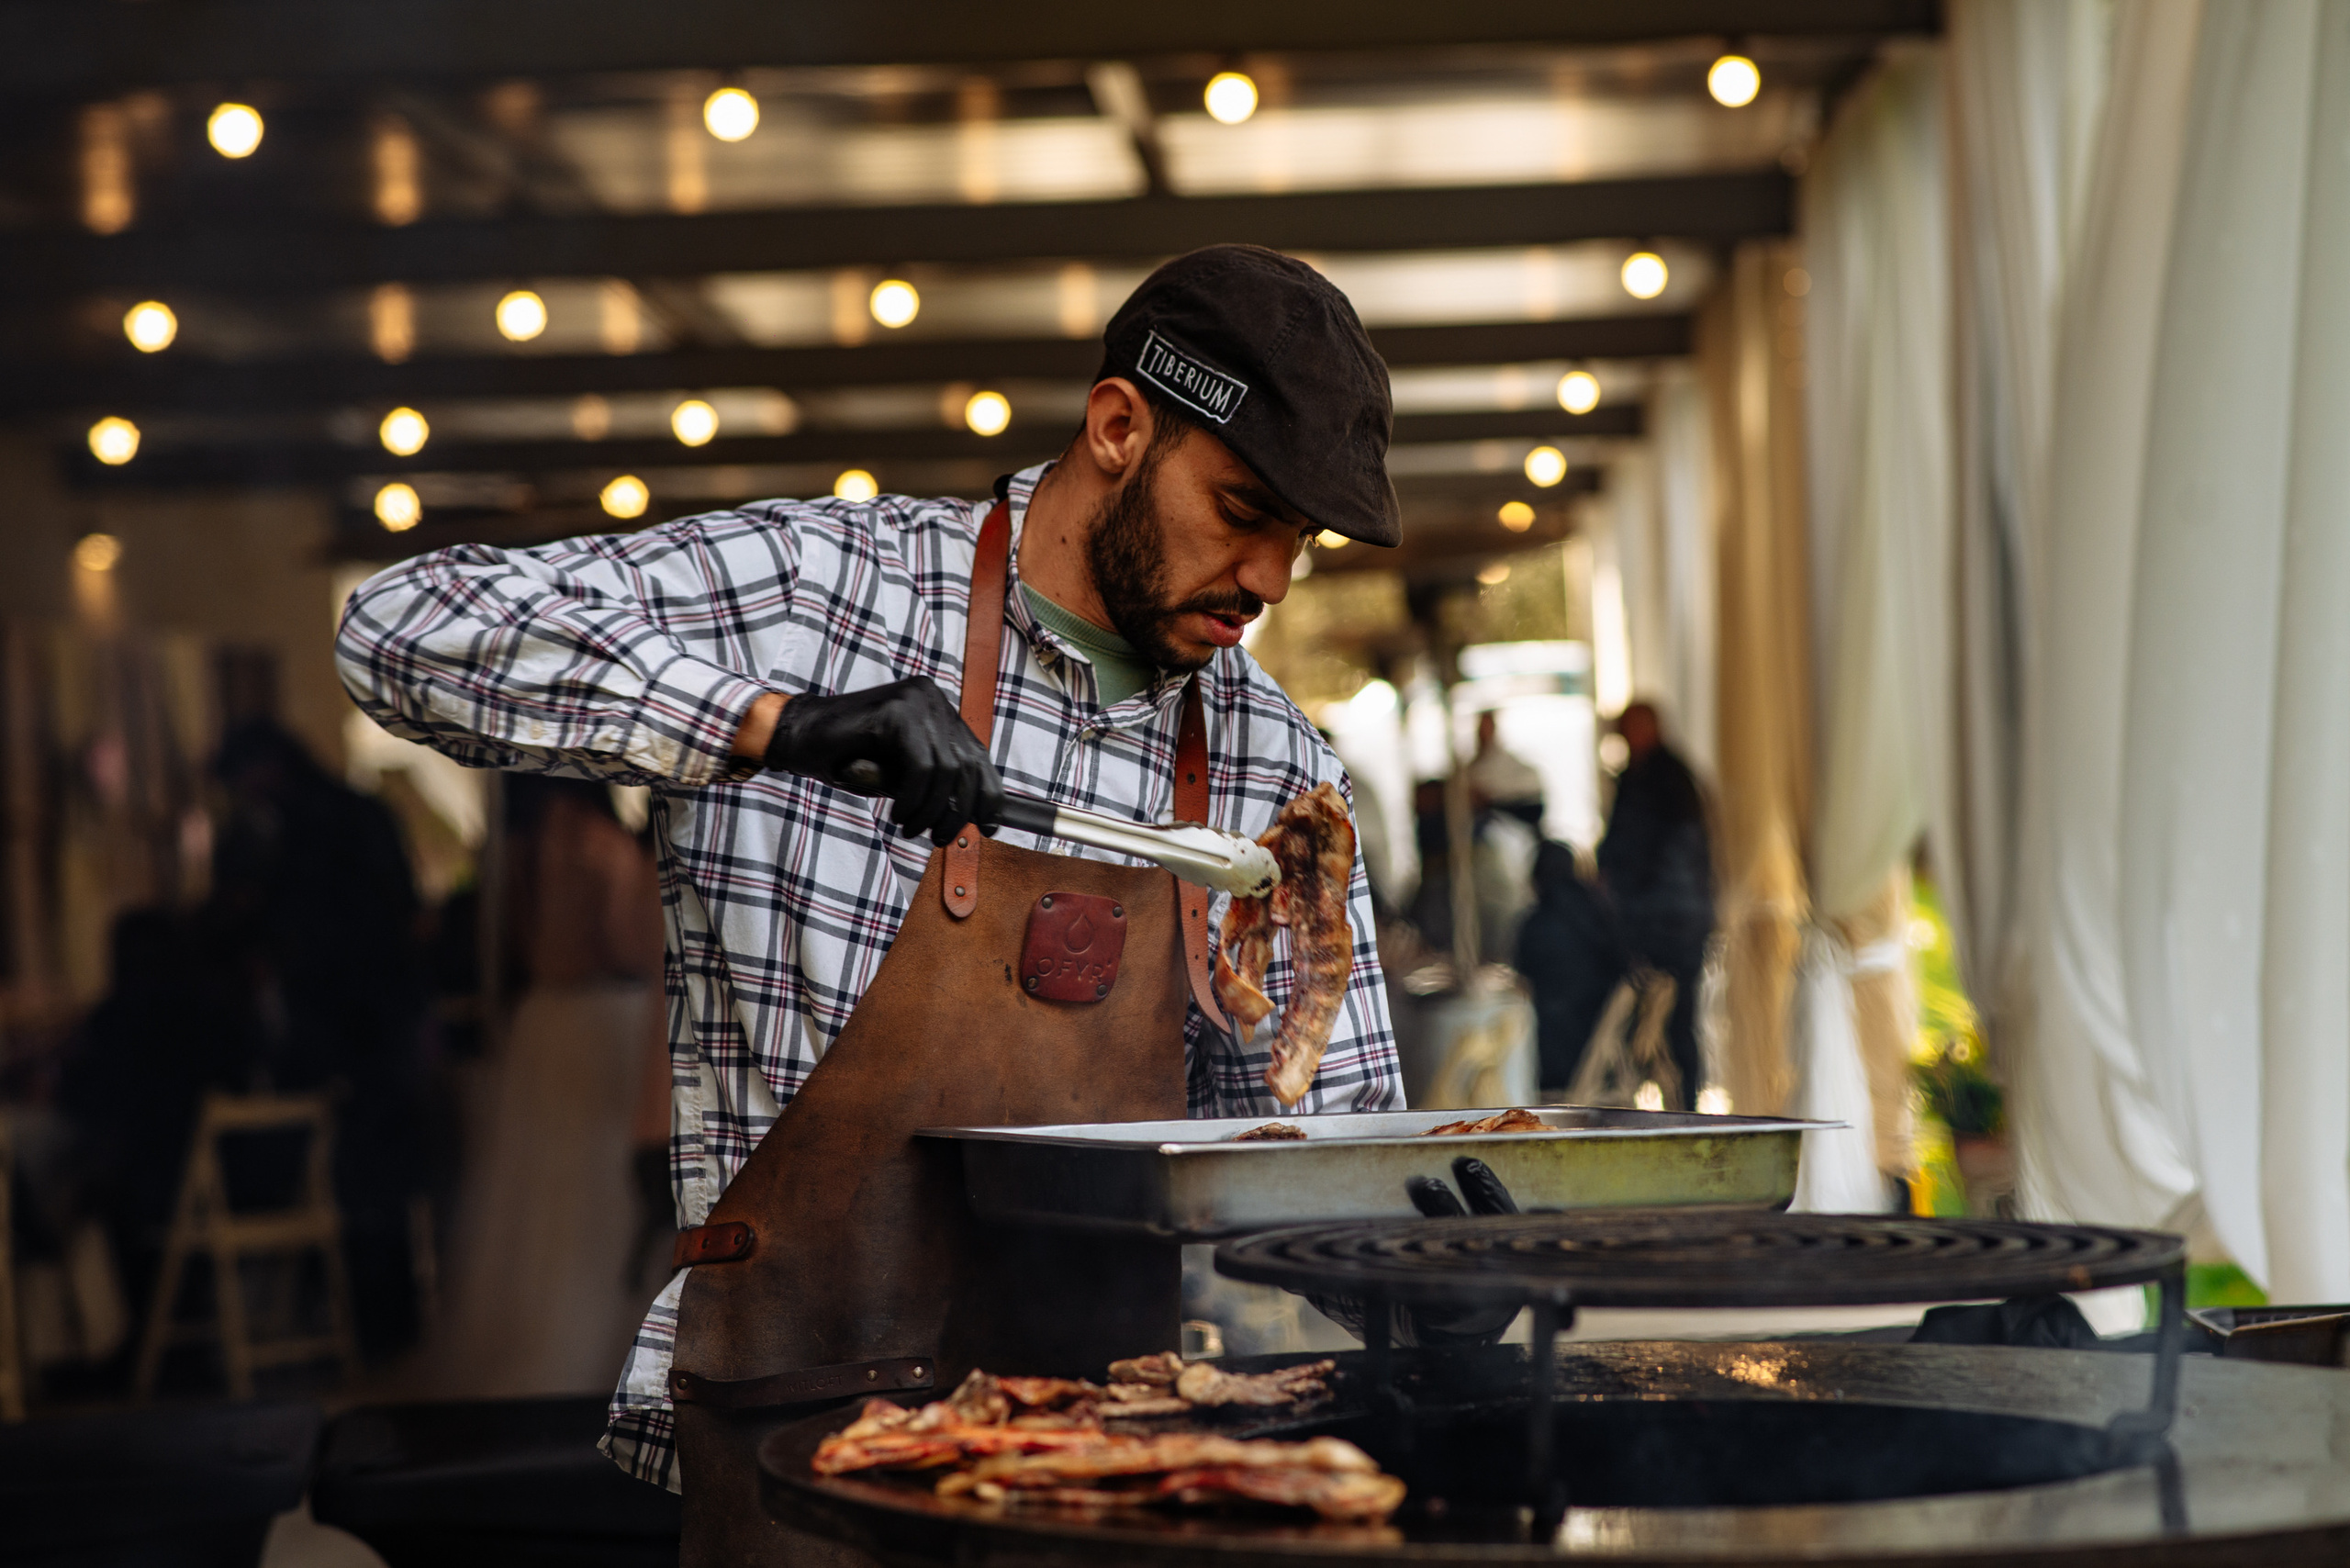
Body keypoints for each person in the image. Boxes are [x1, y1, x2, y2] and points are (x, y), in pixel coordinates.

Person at [336, 246, 1404, 1530]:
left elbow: (1320, 1156)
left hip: (1104, 1461)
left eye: (1300, 539)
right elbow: (398, 627)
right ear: (1119, 427)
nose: (1272, 579)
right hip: (800, 1445)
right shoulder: (820, 593)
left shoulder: (1273, 762)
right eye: (1242, 510)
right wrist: (771, 724)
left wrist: (1430, 1271)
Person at [1594, 701, 1715, 1106]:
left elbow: (1661, 857)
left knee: (1674, 1021)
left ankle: (1686, 1108)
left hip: (1669, 925)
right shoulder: (1647, 776)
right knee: (1659, 1022)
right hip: (1668, 921)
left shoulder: (1665, 780)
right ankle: (1675, 1104)